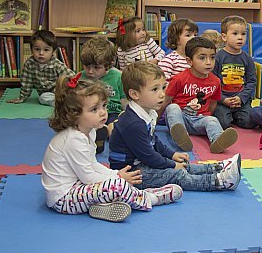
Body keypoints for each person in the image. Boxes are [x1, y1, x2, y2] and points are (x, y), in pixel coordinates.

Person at [41, 74, 182, 223]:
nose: (103, 112)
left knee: (117, 182)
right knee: (118, 186)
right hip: (64, 200)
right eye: (94, 109)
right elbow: (88, 177)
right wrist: (118, 178)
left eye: (104, 106)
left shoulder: (89, 131)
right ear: (73, 115)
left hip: (77, 188)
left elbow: (92, 164)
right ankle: (150, 198)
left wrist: (115, 173)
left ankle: (103, 206)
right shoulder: (74, 140)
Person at [109, 62, 241, 191]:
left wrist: (171, 155)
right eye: (155, 89)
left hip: (140, 163)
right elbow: (148, 156)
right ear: (134, 94)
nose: (162, 94)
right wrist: (172, 164)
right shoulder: (133, 123)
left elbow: (153, 141)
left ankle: (218, 167)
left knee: (182, 165)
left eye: (163, 88)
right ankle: (219, 182)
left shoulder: (147, 113)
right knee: (177, 174)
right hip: (131, 173)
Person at [162, 37, 238, 154]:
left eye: (212, 57)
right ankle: (182, 137)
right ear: (189, 61)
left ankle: (217, 140)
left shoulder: (216, 81)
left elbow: (213, 103)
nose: (208, 62)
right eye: (202, 58)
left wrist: (206, 116)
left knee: (212, 120)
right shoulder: (179, 78)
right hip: (180, 117)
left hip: (199, 119)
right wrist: (153, 122)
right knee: (172, 107)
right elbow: (166, 101)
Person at [79, 36, 127, 153]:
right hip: (91, 113)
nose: (90, 71)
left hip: (112, 112)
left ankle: (108, 134)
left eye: (96, 67)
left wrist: (127, 114)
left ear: (108, 65)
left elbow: (124, 100)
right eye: (86, 66)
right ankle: (96, 135)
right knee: (83, 126)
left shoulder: (118, 76)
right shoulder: (81, 78)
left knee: (115, 126)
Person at [212, 16, 257, 129]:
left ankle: (236, 116)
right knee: (223, 123)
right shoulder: (218, 58)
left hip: (241, 100)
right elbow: (212, 82)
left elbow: (252, 82)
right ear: (224, 36)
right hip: (222, 101)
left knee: (249, 122)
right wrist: (223, 99)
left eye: (243, 34)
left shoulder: (248, 59)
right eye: (235, 34)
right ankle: (229, 117)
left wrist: (241, 98)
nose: (240, 38)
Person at [7, 29, 74, 106]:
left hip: (60, 92)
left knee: (71, 94)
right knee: (42, 98)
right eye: (37, 49)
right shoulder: (29, 64)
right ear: (31, 50)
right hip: (46, 95)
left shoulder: (56, 64)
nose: (41, 53)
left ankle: (66, 101)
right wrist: (22, 97)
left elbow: (71, 76)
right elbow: (26, 83)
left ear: (53, 51)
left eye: (46, 50)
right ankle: (61, 103)